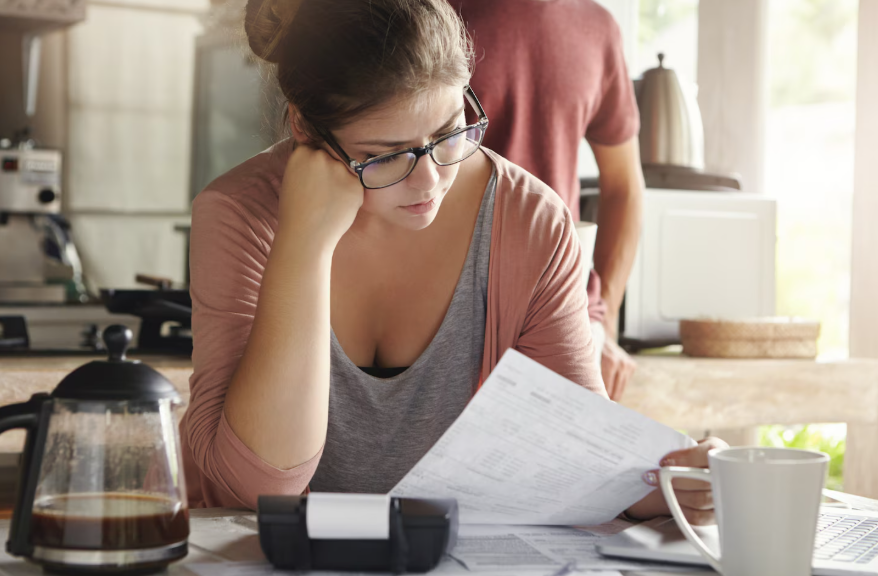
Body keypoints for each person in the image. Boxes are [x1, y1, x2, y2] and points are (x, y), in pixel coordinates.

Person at [179, 0, 723, 525]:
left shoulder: (530, 220)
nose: (429, 180)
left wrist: (670, 482)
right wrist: (304, 244)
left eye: (448, 133)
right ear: (304, 128)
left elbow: (579, 455)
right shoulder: (239, 214)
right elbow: (255, 487)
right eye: (387, 154)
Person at [450, 0, 642, 401]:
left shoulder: (597, 28)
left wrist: (602, 319)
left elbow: (624, 186)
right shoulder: (431, 12)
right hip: (449, 311)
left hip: (562, 305)